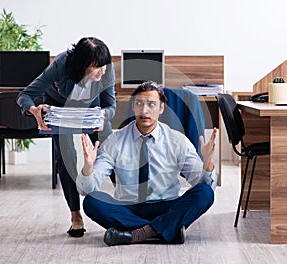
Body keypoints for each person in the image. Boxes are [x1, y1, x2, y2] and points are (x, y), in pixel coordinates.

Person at [76, 81, 217, 246]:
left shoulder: (177, 140)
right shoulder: (115, 140)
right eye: (139, 104)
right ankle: (165, 229)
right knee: (92, 201)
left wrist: (207, 164)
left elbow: (204, 185)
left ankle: (135, 233)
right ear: (133, 107)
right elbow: (86, 189)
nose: (144, 111)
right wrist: (88, 167)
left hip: (166, 205)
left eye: (151, 104)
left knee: (204, 193)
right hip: (129, 207)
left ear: (162, 108)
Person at [17, 37, 116, 238]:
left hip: (91, 112)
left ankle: (129, 204)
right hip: (60, 110)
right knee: (65, 157)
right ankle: (75, 216)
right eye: (97, 67)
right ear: (82, 65)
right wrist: (34, 110)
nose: (103, 71)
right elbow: (25, 95)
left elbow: (111, 106)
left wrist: (104, 114)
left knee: (114, 150)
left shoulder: (106, 69)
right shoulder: (61, 65)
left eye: (104, 66)